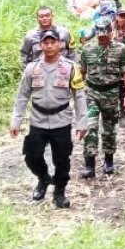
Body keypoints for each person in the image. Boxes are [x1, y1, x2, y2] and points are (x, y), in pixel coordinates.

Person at [10, 30, 88, 208]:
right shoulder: (32, 68)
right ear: (41, 45)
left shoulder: (70, 68)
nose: (50, 45)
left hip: (61, 121)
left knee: (62, 160)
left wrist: (82, 122)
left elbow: (79, 96)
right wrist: (16, 120)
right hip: (38, 120)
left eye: (53, 42)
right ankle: (43, 178)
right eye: (46, 42)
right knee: (32, 155)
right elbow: (22, 96)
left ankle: (59, 192)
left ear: (60, 44)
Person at [78, 17, 125, 178]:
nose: (102, 39)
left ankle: (109, 160)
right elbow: (81, 72)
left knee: (109, 129)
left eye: (105, 35)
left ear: (110, 32)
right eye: (100, 36)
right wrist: (80, 94)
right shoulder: (87, 49)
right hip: (92, 92)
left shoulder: (120, 48)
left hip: (111, 93)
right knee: (90, 127)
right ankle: (89, 164)